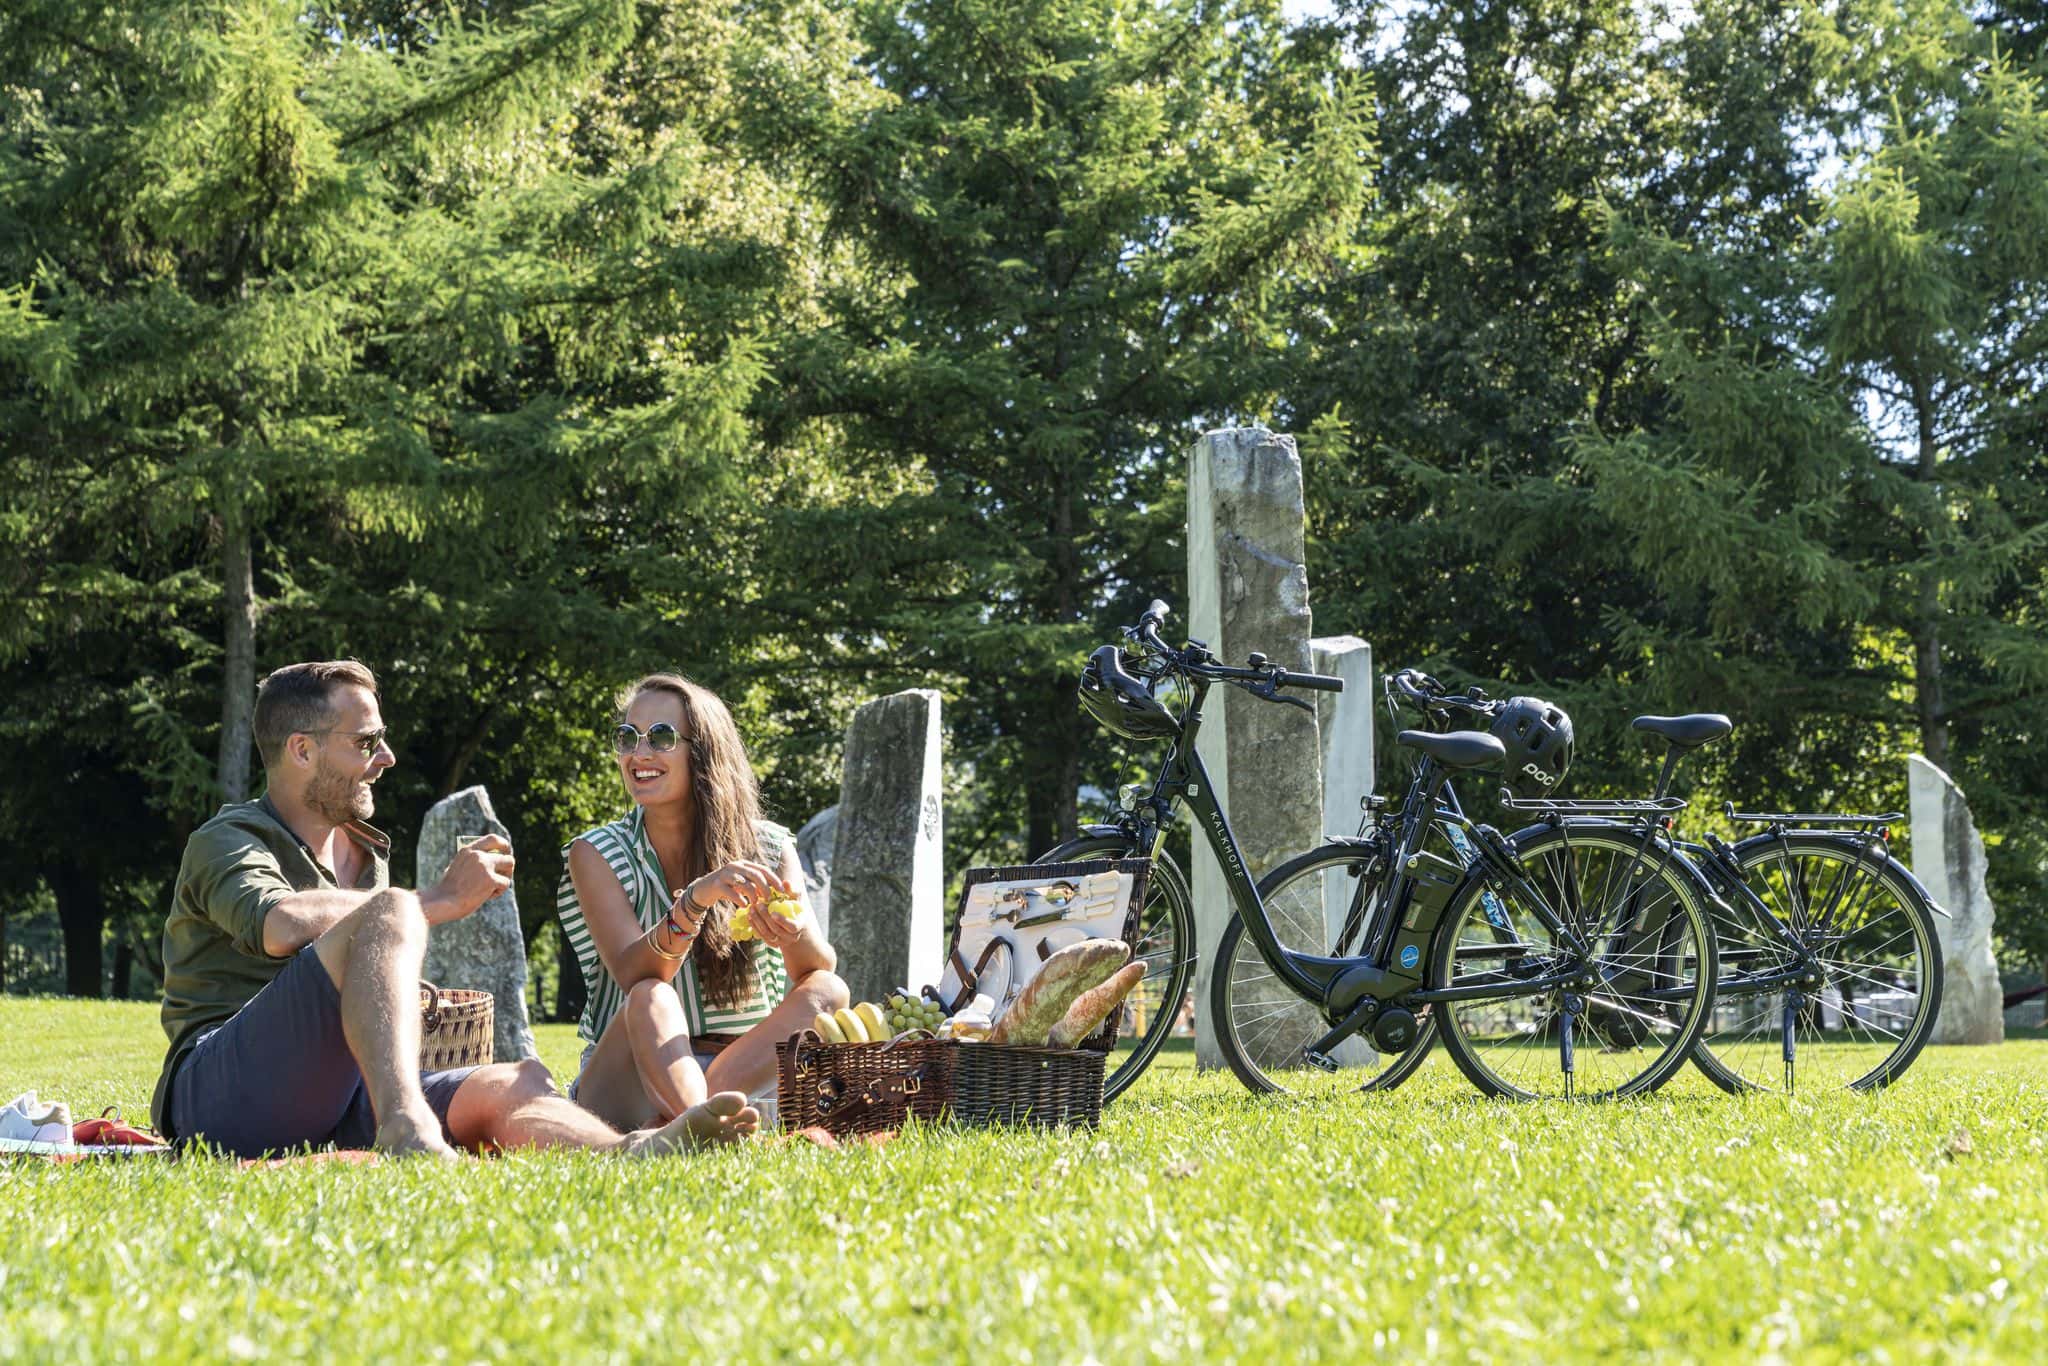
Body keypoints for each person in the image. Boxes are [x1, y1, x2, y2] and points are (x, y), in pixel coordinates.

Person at [152, 660, 757, 1160]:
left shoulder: (366, 853)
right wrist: (433, 901)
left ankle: (629, 1152)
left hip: (337, 1096)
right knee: (389, 910)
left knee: (515, 1080)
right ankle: (407, 1129)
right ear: (301, 750)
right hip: (221, 1095)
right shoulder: (227, 839)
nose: (386, 757)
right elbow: (280, 925)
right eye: (366, 742)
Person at [557, 674, 848, 1131]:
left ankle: (705, 1116)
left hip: (737, 1069)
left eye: (661, 737)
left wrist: (788, 933)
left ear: (704, 750)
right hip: (628, 1074)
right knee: (651, 995)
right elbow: (635, 974)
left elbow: (815, 968)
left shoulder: (769, 847)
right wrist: (693, 902)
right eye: (628, 738)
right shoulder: (595, 852)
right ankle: (703, 1121)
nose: (639, 754)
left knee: (830, 990)